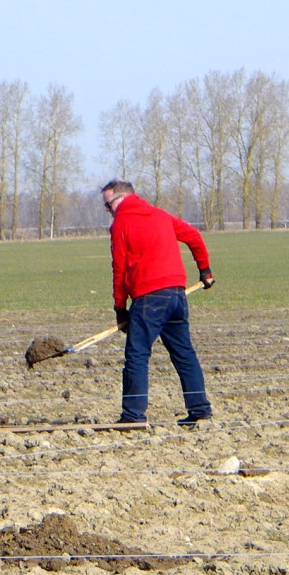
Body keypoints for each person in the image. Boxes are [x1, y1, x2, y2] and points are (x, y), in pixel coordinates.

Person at [102, 179, 215, 425]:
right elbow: (194, 237)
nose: (108, 211)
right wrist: (205, 270)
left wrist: (120, 309)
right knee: (184, 353)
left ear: (121, 198)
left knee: (137, 354)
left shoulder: (121, 223)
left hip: (149, 298)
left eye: (109, 205)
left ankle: (133, 416)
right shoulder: (160, 215)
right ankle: (200, 410)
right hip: (176, 294)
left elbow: (119, 269)